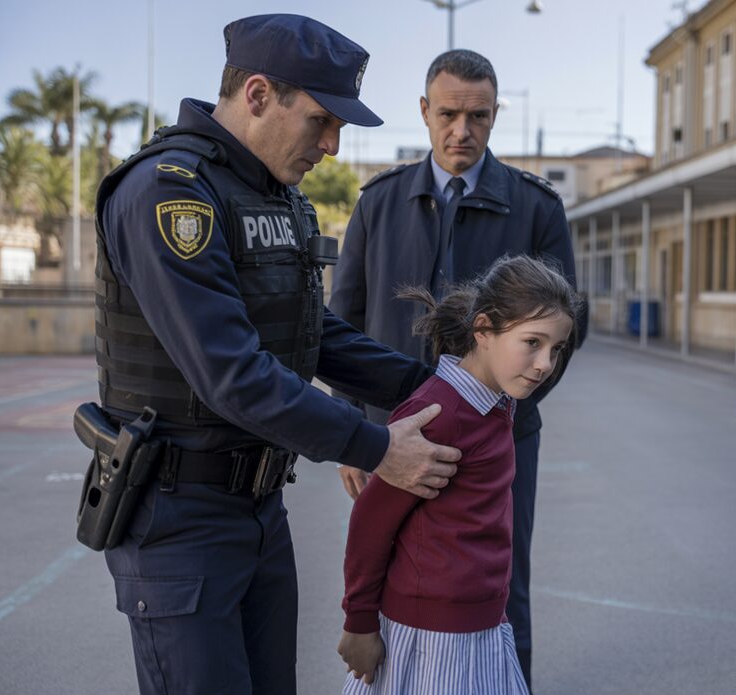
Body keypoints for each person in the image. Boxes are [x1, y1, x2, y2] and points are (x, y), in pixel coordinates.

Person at [91, 14, 461, 695]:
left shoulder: (279, 198)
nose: (332, 144)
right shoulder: (169, 192)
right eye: (322, 120)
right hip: (178, 518)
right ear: (257, 95)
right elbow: (232, 372)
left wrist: (441, 385)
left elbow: (311, 331)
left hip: (260, 510)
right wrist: (376, 445)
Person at [330, 48, 582, 688]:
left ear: (496, 115)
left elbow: (568, 331)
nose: (461, 130)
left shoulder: (536, 208)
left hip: (505, 437)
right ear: (423, 111)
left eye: (478, 116)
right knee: (391, 567)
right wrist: (356, 435)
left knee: (498, 584)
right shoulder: (378, 203)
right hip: (391, 435)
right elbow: (342, 319)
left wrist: (503, 413)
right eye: (447, 114)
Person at [337, 255, 580, 695]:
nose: (545, 363)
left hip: (483, 628)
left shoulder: (497, 405)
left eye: (556, 348)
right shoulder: (438, 413)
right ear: (483, 329)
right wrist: (359, 623)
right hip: (433, 641)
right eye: (532, 342)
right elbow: (371, 523)